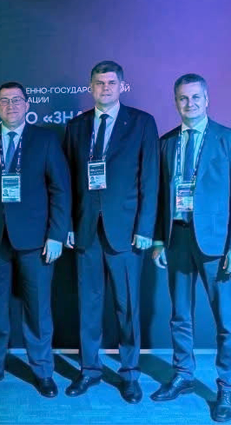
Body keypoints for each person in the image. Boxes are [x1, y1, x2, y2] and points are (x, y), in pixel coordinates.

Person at [151, 74, 231, 423]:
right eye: (183, 98)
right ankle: (183, 375)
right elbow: (160, 197)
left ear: (207, 100)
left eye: (195, 97)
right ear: (175, 102)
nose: (189, 104)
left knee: (226, 321)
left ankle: (227, 387)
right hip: (177, 239)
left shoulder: (229, 140)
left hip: (217, 246)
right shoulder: (166, 143)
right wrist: (159, 240)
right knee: (180, 315)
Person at [63, 61, 159, 403]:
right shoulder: (77, 126)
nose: (105, 88)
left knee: (127, 306)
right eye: (99, 83)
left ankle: (129, 374)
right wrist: (68, 225)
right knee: (88, 306)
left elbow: (150, 179)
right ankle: (89, 370)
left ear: (122, 86)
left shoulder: (142, 123)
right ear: (90, 87)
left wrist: (145, 227)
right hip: (86, 230)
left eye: (111, 83)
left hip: (127, 233)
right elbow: (67, 181)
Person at [0, 82, 71, 397]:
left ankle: (42, 371)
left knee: (38, 309)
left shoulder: (45, 140)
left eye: (16, 100)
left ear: (27, 105)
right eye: (4, 101)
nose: (11, 106)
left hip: (37, 241)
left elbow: (60, 189)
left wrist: (56, 234)